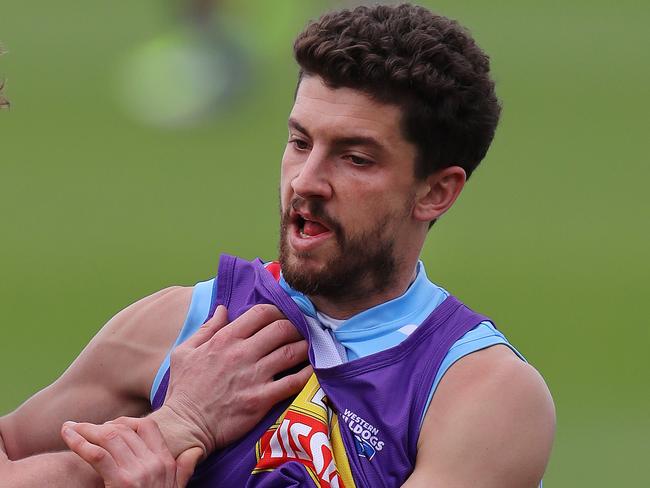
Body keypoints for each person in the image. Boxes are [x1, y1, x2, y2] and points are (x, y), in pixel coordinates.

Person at [1, 3, 556, 487]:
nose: (306, 181)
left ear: (436, 191)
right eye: (299, 142)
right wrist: (170, 430)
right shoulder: (176, 326)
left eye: (355, 158)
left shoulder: (478, 395)